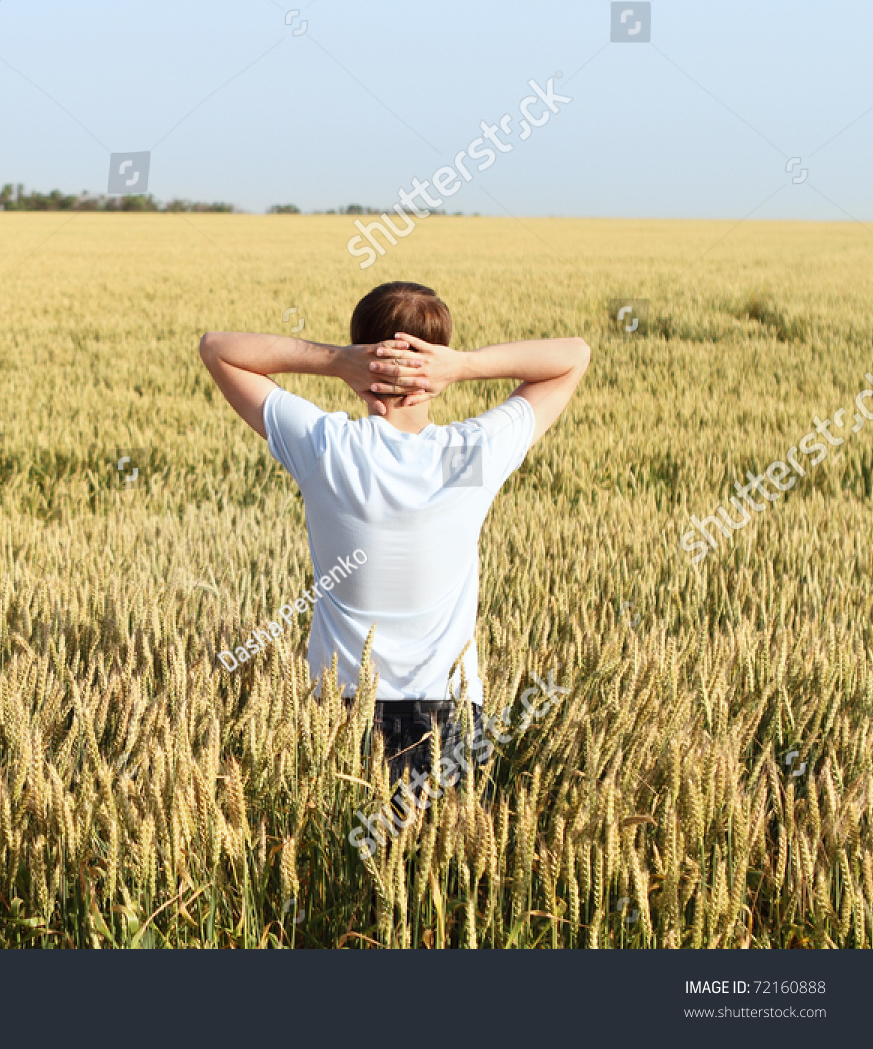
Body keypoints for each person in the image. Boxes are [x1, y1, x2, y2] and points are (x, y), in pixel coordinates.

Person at [197, 280, 589, 791]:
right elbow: (573, 355)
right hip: (451, 714)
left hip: (340, 716)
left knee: (341, 863)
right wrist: (461, 366)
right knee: (451, 867)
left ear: (363, 353)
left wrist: (338, 360)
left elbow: (217, 349)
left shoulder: (324, 446)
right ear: (439, 358)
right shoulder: (473, 454)